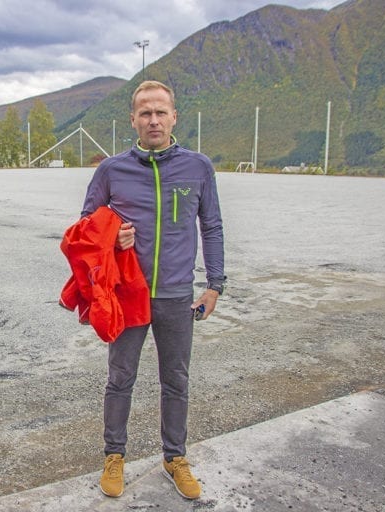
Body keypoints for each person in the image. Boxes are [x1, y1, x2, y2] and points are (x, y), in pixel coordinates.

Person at [79, 81, 225, 500]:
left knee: (176, 380)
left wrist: (215, 284)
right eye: (145, 113)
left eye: (161, 112)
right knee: (120, 377)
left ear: (174, 116)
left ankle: (174, 457)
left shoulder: (198, 167)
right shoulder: (112, 170)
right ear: (133, 120)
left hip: (178, 295)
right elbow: (86, 227)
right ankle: (114, 456)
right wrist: (112, 237)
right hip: (128, 294)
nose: (154, 119)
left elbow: (211, 226)